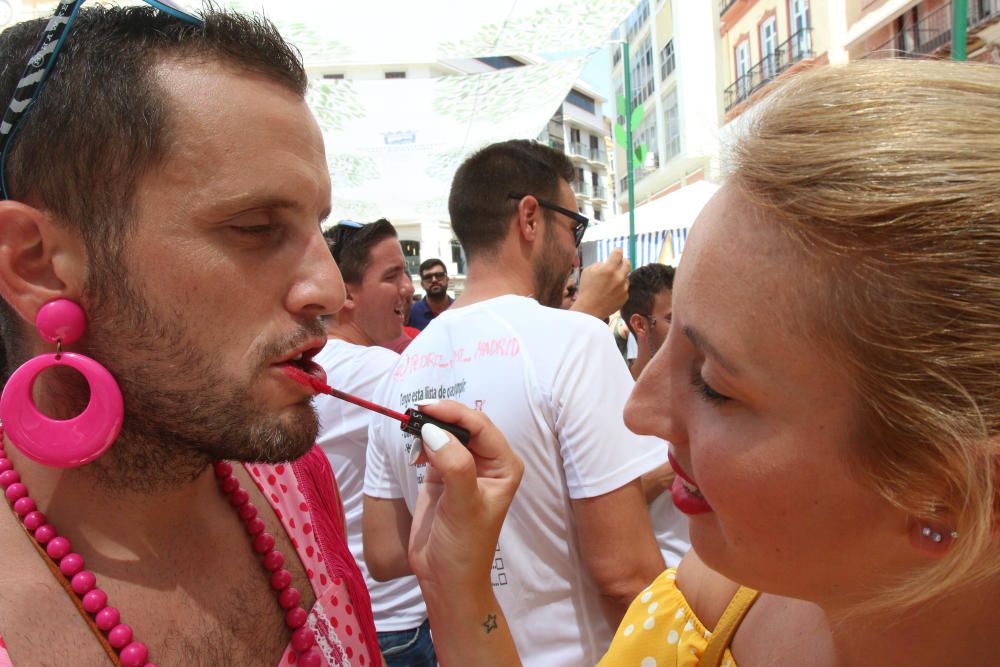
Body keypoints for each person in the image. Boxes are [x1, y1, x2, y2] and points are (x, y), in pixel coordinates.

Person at [402, 59, 1000, 666]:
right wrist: (459, 587)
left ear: (944, 488)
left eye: (713, 384)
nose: (638, 412)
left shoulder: (719, 600)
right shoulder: (711, 601)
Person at [0, 5, 380, 666]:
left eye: (318, 225)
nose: (328, 288)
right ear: (37, 263)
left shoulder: (298, 483)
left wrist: (460, 595)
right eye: (255, 227)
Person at [363, 139, 666, 667]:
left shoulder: (400, 371)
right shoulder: (576, 341)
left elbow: (386, 553)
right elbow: (626, 576)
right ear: (530, 217)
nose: (574, 254)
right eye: (573, 227)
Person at [314, 219, 435, 665]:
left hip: (351, 611)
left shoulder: (315, 363)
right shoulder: (374, 371)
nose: (409, 287)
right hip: (399, 619)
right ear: (346, 294)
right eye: (391, 275)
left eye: (406, 272)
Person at [618, 263, 689, 568]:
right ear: (640, 325)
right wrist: (679, 466)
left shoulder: (709, 388)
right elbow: (605, 508)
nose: (686, 329)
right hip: (660, 578)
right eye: (673, 318)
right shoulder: (613, 400)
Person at [620, 263, 674, 381]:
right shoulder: (618, 390)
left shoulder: (702, 385)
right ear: (640, 325)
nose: (685, 326)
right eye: (672, 319)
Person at [407, 259, 452, 331]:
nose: (434, 280)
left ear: (447, 279)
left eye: (439, 275)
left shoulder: (460, 309)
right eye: (428, 277)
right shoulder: (411, 314)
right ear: (422, 284)